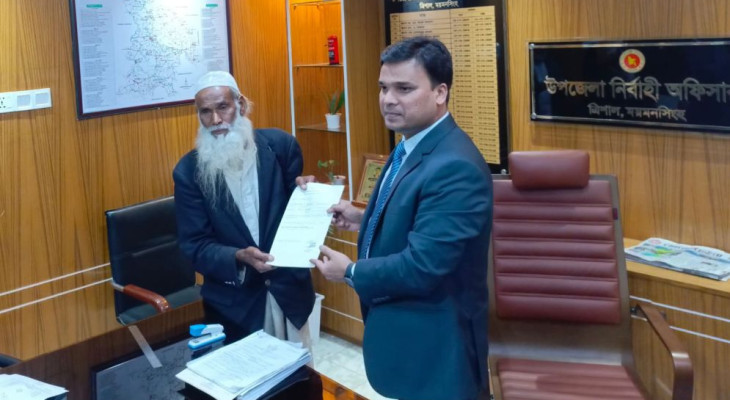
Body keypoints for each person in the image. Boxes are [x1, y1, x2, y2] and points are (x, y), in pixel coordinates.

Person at [308, 37, 493, 400]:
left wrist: (350, 272)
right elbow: (423, 218)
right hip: (405, 334)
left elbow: (423, 265)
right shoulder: (411, 143)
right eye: (383, 88)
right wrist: (364, 218)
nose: (388, 100)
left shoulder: (455, 166)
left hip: (435, 348)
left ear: (440, 93)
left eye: (404, 89)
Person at [173, 71, 315, 345]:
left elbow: (295, 213)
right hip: (235, 305)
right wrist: (238, 256)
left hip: (290, 293)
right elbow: (195, 246)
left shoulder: (280, 146)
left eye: (223, 107)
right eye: (205, 112)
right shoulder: (189, 171)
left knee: (300, 370)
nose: (216, 120)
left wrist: (306, 193)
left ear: (241, 105)